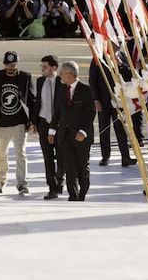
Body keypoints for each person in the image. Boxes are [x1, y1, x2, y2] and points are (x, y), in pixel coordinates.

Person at [0, 51, 35, 195]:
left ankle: (22, 183)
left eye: (12, 65)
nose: (10, 68)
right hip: (1, 122)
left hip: (19, 122)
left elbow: (32, 99)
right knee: (1, 153)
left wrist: (31, 121)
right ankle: (1, 179)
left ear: (17, 64)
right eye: (7, 65)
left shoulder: (25, 77)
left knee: (21, 153)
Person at [48, 61, 96, 202]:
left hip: (81, 137)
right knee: (69, 168)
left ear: (69, 75)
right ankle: (73, 196)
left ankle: (82, 194)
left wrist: (83, 131)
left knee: (82, 167)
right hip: (65, 136)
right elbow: (57, 111)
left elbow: (90, 113)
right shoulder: (61, 90)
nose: (60, 77)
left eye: (62, 74)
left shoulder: (86, 90)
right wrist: (52, 130)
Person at [88, 53, 137, 167]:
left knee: (121, 128)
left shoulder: (123, 56)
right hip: (103, 100)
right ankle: (105, 156)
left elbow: (131, 75)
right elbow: (93, 80)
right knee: (104, 128)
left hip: (119, 100)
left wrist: (121, 65)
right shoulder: (98, 56)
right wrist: (96, 99)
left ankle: (125, 157)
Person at [32, 55, 64, 200]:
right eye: (42, 67)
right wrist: (34, 122)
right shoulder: (40, 81)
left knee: (62, 156)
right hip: (44, 122)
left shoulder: (62, 82)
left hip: (58, 124)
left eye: (45, 67)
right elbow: (37, 102)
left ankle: (59, 179)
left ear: (53, 68)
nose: (42, 69)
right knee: (48, 157)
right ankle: (52, 187)